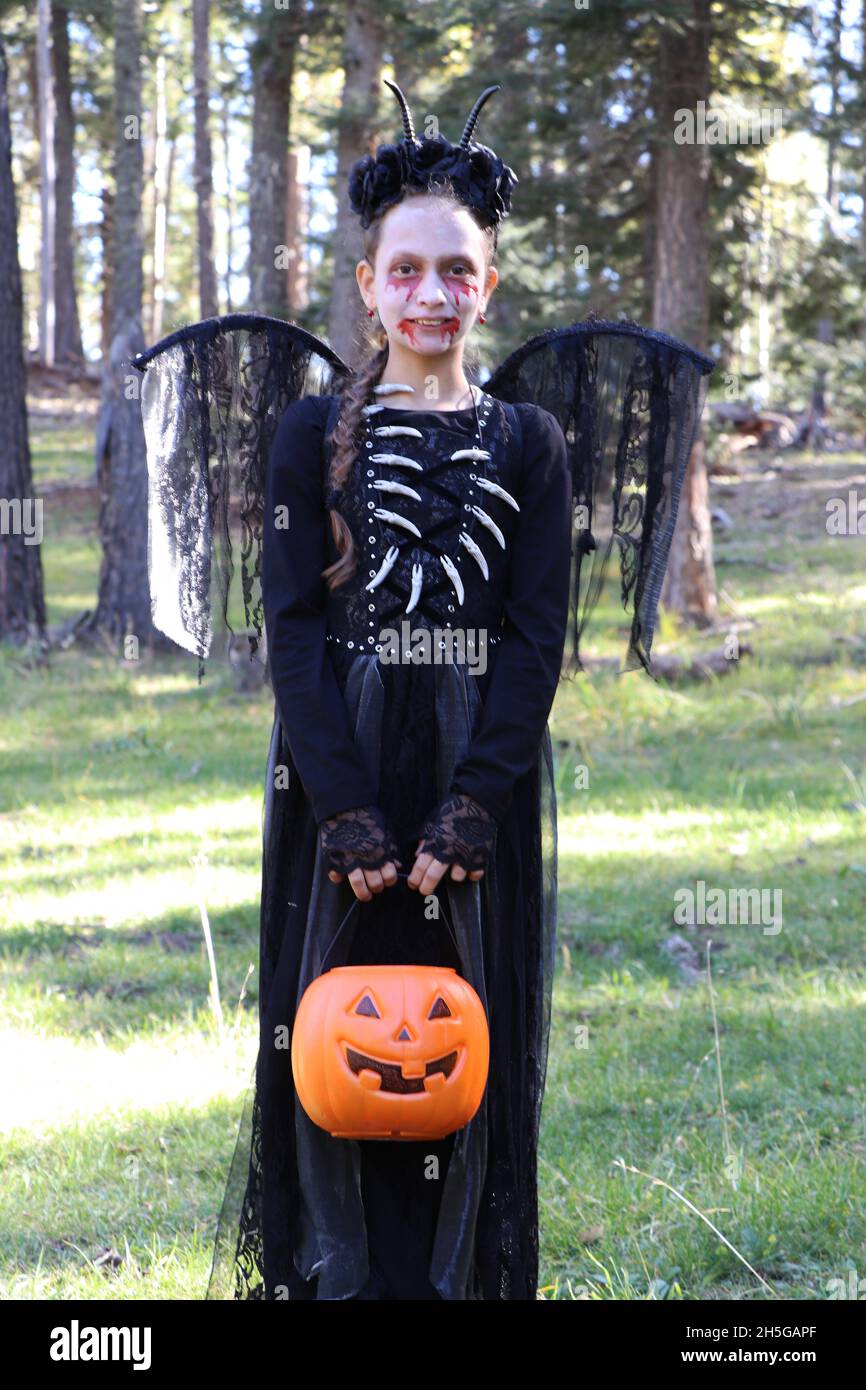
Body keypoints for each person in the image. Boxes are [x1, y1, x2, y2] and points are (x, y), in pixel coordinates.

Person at [205, 80, 572, 1301]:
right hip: (340, 761)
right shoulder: (310, 432)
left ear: (487, 286)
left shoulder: (528, 441)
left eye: (455, 273)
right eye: (405, 271)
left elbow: (533, 638)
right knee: (338, 1018)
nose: (430, 295)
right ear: (367, 285)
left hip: (476, 760)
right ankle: (334, 1272)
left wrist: (475, 801)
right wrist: (344, 805)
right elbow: (293, 629)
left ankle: (460, 1276)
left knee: (461, 1021)